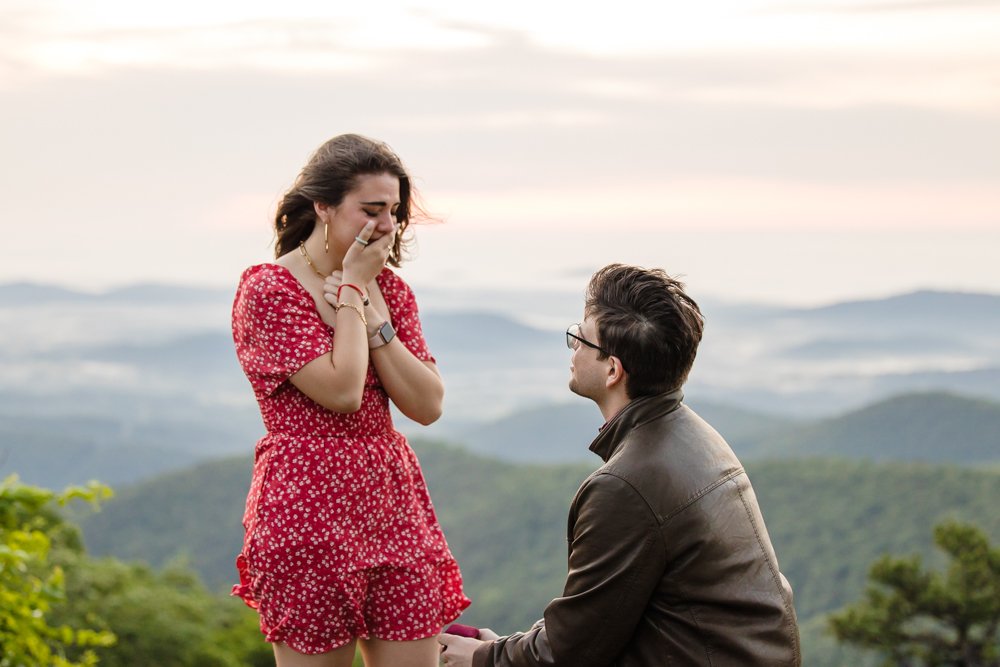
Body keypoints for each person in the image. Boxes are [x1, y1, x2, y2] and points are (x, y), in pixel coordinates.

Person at [438, 264, 800, 667]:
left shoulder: (625, 485)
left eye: (580, 339)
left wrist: (486, 658)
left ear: (613, 369)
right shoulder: (695, 435)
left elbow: (573, 652)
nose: (573, 349)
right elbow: (600, 618)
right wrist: (504, 650)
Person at [230, 133, 469, 667]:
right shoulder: (270, 291)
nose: (387, 226)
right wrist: (355, 294)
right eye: (371, 210)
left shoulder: (394, 292)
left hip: (391, 504)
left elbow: (427, 404)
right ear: (323, 206)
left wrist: (376, 315)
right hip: (305, 510)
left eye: (393, 211)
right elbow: (341, 390)